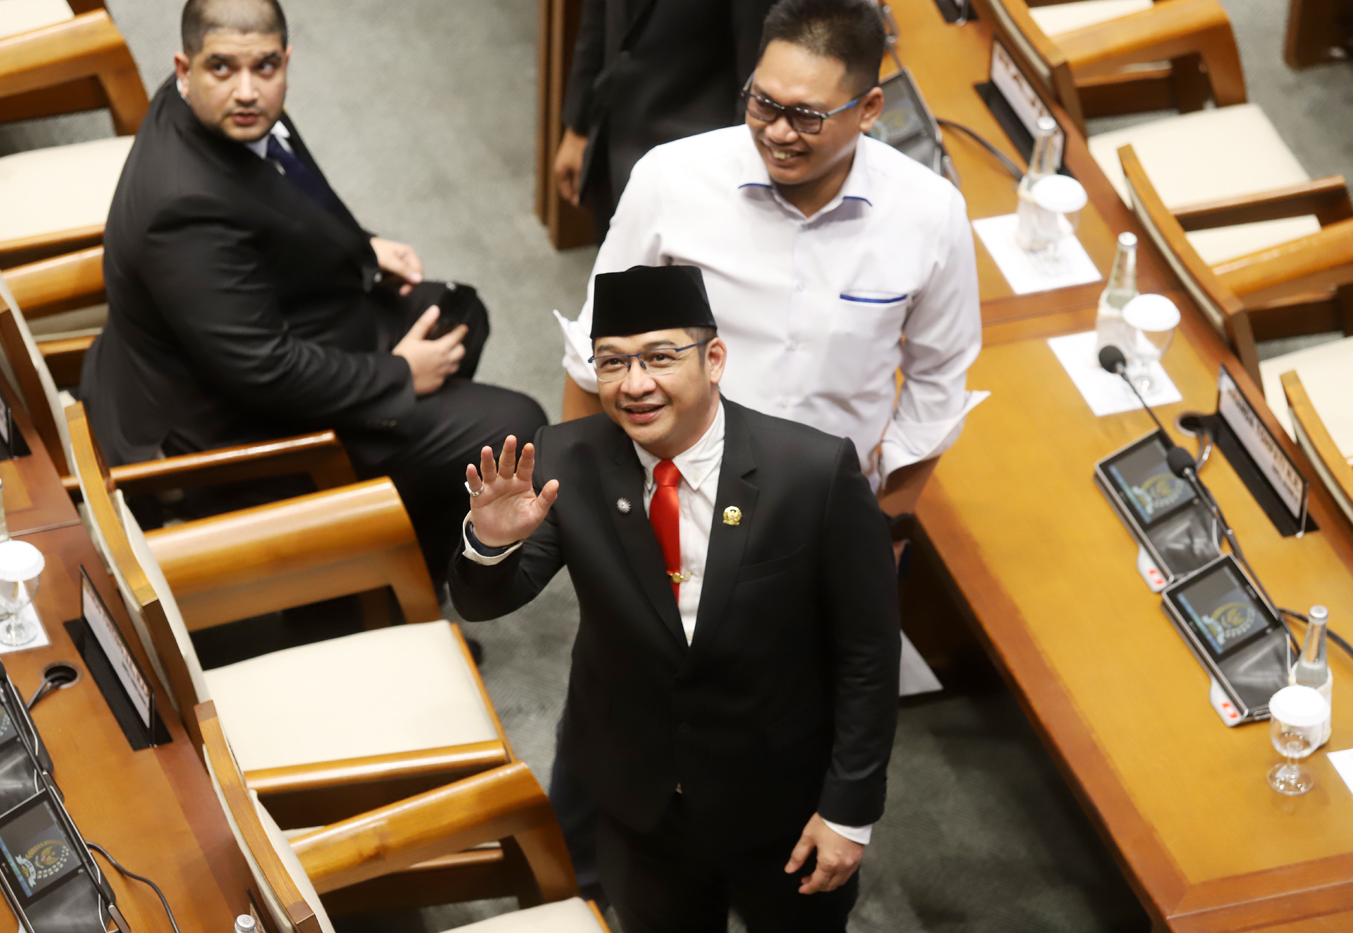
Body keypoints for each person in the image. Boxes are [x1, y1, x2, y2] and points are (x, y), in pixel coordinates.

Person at [451, 265, 900, 933]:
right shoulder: (567, 459)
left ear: (714, 359)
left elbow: (868, 652)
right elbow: (485, 601)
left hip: (779, 794)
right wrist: (490, 542)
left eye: (660, 358)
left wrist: (848, 810)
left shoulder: (811, 472)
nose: (635, 384)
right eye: (612, 363)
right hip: (640, 800)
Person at [79, 0, 546, 586]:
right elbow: (263, 369)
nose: (246, 90)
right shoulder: (184, 210)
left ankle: (397, 508)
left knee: (458, 314)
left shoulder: (217, 110)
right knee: (512, 425)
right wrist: (400, 375)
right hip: (222, 425)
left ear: (285, 60)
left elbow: (281, 192)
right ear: (185, 68)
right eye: (222, 68)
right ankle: (387, 581)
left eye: (265, 67)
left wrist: (362, 246)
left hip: (249, 328)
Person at [558, 0, 984, 520]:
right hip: (678, 497)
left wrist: (887, 528)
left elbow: (937, 381)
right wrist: (582, 514)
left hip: (827, 506)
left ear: (869, 109)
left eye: (806, 116)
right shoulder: (670, 179)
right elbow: (592, 350)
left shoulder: (930, 214)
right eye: (763, 104)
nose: (778, 132)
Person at [552, 0, 777, 238]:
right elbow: (597, 14)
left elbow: (757, 77)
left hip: (694, 171)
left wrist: (738, 186)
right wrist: (578, 127)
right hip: (612, 144)